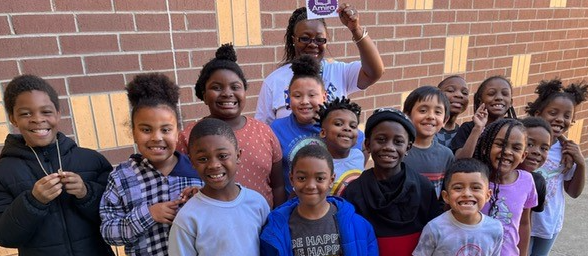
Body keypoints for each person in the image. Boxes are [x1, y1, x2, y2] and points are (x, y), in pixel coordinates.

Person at [0, 75, 114, 256]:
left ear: (58, 113)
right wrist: (33, 202)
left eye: (46, 112)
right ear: (13, 119)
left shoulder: (92, 160)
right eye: (25, 113)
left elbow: (114, 217)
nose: (37, 119)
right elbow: (6, 236)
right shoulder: (5, 171)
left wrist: (86, 193)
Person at [100, 73, 203, 255]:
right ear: (133, 132)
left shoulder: (197, 172)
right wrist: (149, 214)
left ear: (178, 132)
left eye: (166, 129)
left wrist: (204, 199)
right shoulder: (121, 177)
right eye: (146, 129)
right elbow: (108, 232)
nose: (156, 137)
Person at [177, 43, 285, 208]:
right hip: (214, 228)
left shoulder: (264, 132)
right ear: (204, 95)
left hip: (264, 227)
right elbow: (180, 187)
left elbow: (278, 185)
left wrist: (278, 221)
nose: (227, 93)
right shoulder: (189, 137)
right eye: (216, 87)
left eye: (235, 87)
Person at [255, 4, 384, 124]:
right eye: (305, 38)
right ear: (293, 40)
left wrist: (356, 29)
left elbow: (374, 72)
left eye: (320, 39)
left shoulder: (339, 72)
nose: (312, 44)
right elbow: (263, 131)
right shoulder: (274, 81)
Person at [342, 108, 441, 256]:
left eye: (398, 142)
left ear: (408, 147)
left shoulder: (423, 188)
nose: (389, 147)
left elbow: (436, 235)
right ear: (368, 145)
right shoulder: (354, 192)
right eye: (381, 140)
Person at [168, 118, 270, 256]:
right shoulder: (188, 218)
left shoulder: (257, 203)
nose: (214, 165)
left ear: (238, 155)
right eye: (203, 159)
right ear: (192, 162)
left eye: (222, 156)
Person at [260, 144, 378, 256]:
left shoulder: (358, 226)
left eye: (320, 178)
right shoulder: (275, 230)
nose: (311, 185)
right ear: (292, 179)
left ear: (331, 180)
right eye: (302, 178)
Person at [525, 78, 587, 256]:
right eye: (553, 112)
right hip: (524, 220)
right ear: (538, 113)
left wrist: (581, 163)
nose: (560, 119)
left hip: (549, 222)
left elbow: (573, 192)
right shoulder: (522, 142)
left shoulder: (567, 151)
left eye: (567, 116)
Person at [413, 158, 503, 256]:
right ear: (446, 196)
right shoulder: (435, 228)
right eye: (458, 188)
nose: (467, 194)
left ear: (488, 195)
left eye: (476, 188)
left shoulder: (495, 229)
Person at [474, 119, 538, 256]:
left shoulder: (526, 181)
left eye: (516, 148)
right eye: (500, 144)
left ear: (523, 156)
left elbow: (524, 224)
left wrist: (523, 254)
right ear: (485, 148)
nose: (507, 152)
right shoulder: (475, 181)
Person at [402, 86, 454, 197]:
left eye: (438, 112)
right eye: (423, 110)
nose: (431, 116)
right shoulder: (398, 151)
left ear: (445, 120)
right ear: (407, 115)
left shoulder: (446, 155)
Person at [451, 76, 517, 159]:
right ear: (480, 100)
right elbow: (460, 160)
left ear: (511, 102)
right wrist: (478, 128)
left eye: (505, 94)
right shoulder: (468, 128)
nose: (499, 97)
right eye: (491, 93)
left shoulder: (516, 129)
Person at [317, 97, 364, 196]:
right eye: (338, 124)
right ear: (323, 132)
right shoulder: (316, 162)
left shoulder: (359, 156)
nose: (347, 128)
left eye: (353, 126)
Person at [518, 117, 552, 213]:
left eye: (544, 148)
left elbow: (525, 222)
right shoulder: (494, 176)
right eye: (530, 144)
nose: (537, 152)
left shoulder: (537, 182)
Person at [436, 76, 469, 147]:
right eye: (450, 90)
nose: (459, 95)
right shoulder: (428, 129)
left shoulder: (463, 133)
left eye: (465, 93)